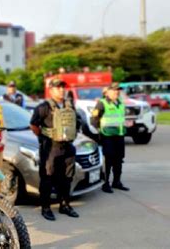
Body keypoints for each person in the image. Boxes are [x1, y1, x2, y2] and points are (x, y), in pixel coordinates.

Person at [30, 78, 81, 221]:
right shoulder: (43, 107)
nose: (61, 90)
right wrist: (44, 137)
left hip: (68, 147)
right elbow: (34, 125)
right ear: (51, 90)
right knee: (47, 178)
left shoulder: (69, 105)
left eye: (62, 87)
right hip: (50, 149)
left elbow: (77, 121)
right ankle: (45, 208)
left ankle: (65, 205)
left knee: (67, 177)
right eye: (58, 88)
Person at [91, 82, 130, 193]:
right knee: (109, 160)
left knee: (119, 160)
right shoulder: (102, 103)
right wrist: (99, 132)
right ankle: (106, 183)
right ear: (107, 92)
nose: (116, 92)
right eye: (114, 90)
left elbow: (120, 119)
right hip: (107, 136)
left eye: (118, 90)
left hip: (119, 135)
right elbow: (94, 120)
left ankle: (117, 182)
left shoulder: (120, 103)